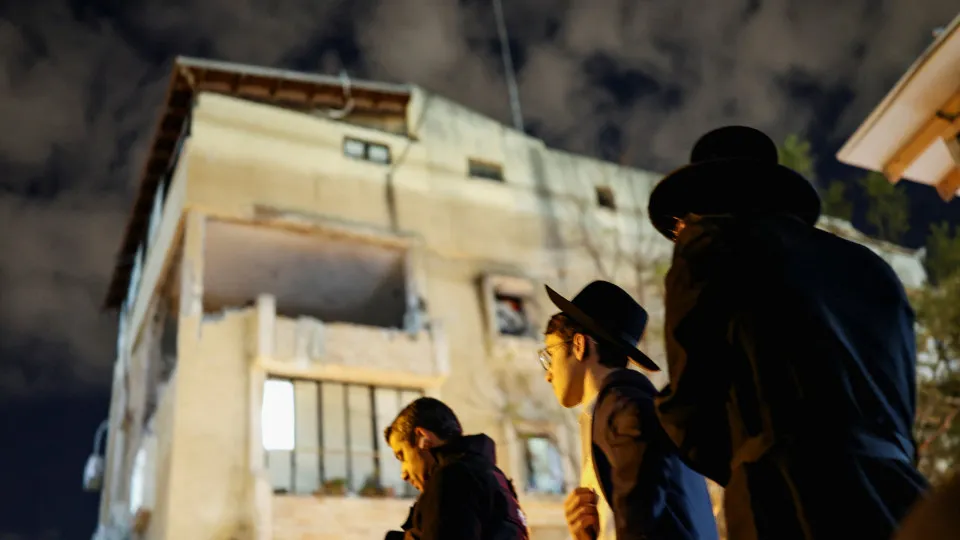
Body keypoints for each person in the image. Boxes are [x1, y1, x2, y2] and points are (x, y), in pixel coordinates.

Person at [647, 125, 929, 539]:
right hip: (899, 492)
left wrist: (749, 456)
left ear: (702, 207)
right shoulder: (871, 266)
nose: (679, 233)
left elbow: (691, 405)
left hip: (789, 494)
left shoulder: (708, 244)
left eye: (679, 224)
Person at [542, 280, 718, 540]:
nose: (548, 374)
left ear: (579, 345)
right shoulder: (621, 408)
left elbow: (640, 518)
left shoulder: (625, 409)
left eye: (549, 355)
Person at [383, 397, 530, 540]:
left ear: (423, 437)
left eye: (402, 456)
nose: (404, 474)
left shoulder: (451, 478)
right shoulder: (497, 481)